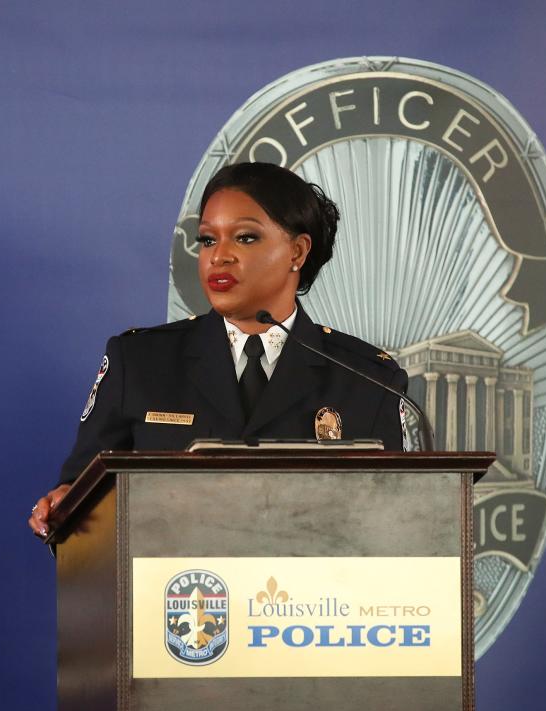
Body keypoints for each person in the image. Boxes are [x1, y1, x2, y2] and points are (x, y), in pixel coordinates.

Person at [28, 162, 408, 537]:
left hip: (319, 598)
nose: (218, 256)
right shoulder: (141, 362)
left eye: (244, 238)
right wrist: (63, 504)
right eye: (208, 239)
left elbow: (400, 519)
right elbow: (79, 496)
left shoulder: (368, 379)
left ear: (297, 251)